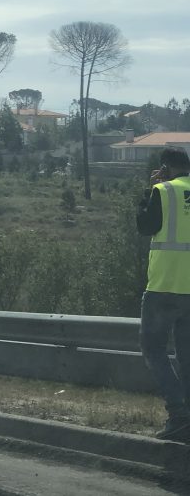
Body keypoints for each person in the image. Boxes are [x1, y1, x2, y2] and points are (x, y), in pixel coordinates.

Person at [138, 147, 190, 442]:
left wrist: (149, 190)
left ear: (166, 167)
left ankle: (179, 415)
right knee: (188, 357)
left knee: (154, 350)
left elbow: (144, 226)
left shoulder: (162, 190)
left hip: (164, 287)